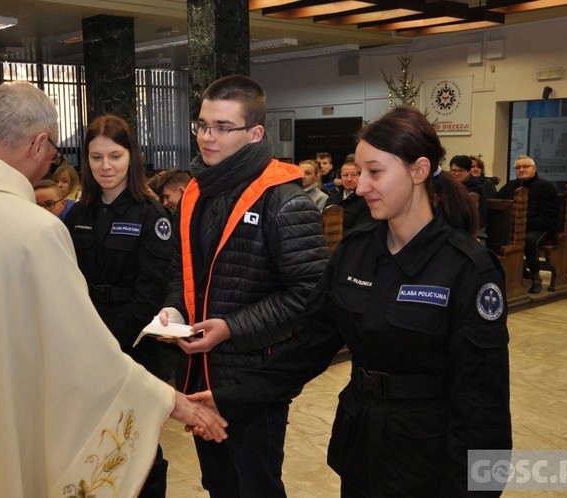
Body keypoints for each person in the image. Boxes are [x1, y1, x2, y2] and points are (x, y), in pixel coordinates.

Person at [0, 81, 227, 498]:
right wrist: (177, 403)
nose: (50, 163)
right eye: (52, 155)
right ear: (39, 144)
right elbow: (82, 352)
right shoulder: (29, 229)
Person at [189, 106, 512, 497]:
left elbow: (483, 405)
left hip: (430, 459)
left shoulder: (466, 268)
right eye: (359, 173)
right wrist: (229, 397)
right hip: (363, 446)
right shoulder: (355, 252)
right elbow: (307, 347)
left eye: (375, 172)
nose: (360, 188)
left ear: (419, 170)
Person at [159, 74, 328, 498]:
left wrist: (232, 326)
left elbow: (308, 294)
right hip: (199, 370)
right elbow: (185, 271)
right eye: (201, 125)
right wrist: (175, 310)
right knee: (219, 483)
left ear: (255, 134)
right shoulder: (197, 191)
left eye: (221, 127)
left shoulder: (285, 201)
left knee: (255, 486)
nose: (207, 137)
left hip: (255, 375)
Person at [63, 114, 175, 497]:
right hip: (85, 340)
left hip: (131, 346)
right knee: (92, 444)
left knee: (137, 443)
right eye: (96, 158)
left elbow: (151, 293)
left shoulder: (151, 215)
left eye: (115, 155)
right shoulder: (79, 214)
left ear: (132, 158)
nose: (105, 166)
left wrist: (109, 347)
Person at [496, 154, 559, 293]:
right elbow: (498, 205)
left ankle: (535, 278)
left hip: (539, 228)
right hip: (514, 227)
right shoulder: (509, 187)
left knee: (529, 240)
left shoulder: (546, 187)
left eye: (525, 166)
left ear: (534, 169)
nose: (521, 169)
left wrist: (523, 226)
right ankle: (517, 273)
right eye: (518, 167)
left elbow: (550, 216)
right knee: (494, 238)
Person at [325, 157, 376, 236]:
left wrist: (338, 238)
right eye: (345, 175)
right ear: (340, 177)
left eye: (354, 175)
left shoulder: (367, 200)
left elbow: (363, 229)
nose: (349, 179)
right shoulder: (331, 199)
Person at [450, 154, 488, 241]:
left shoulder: (477, 188)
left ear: (468, 171)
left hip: (472, 227)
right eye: (454, 170)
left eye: (461, 171)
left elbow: (482, 213)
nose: (456, 174)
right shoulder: (447, 186)